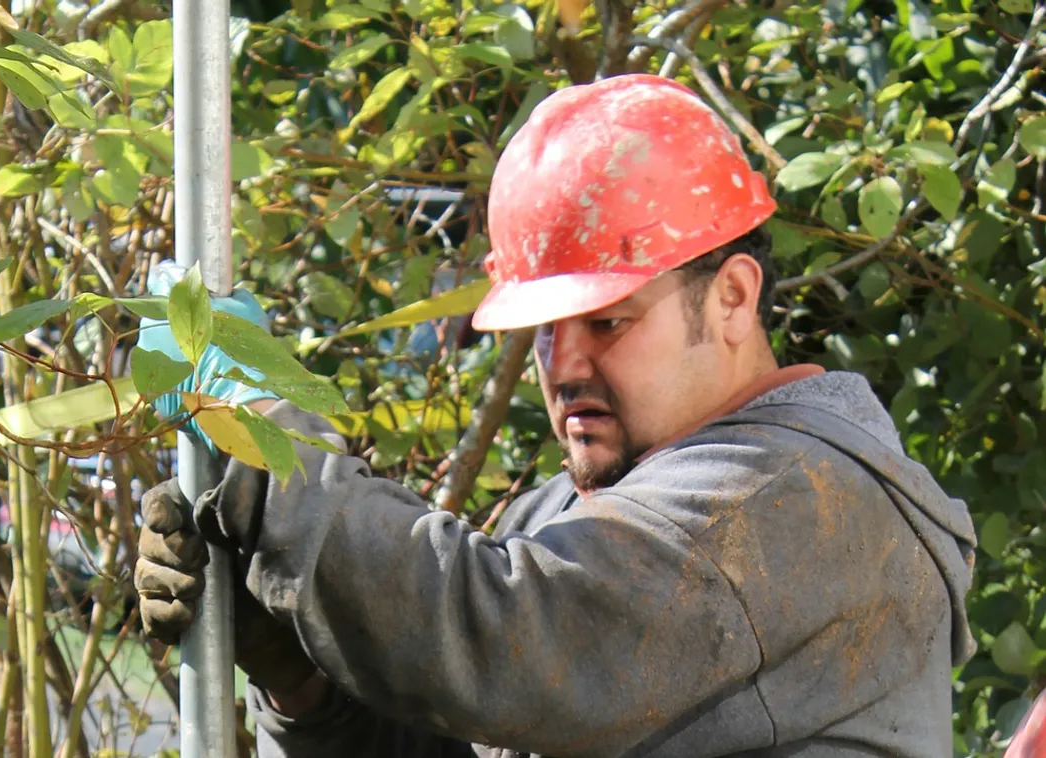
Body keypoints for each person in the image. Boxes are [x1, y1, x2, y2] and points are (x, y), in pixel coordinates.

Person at [131, 74, 977, 757]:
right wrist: (305, 683)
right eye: (543, 330)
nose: (562, 366)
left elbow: (497, 634)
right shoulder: (577, 512)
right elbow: (480, 718)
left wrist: (259, 428)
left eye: (606, 322)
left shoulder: (793, 497)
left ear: (730, 297)